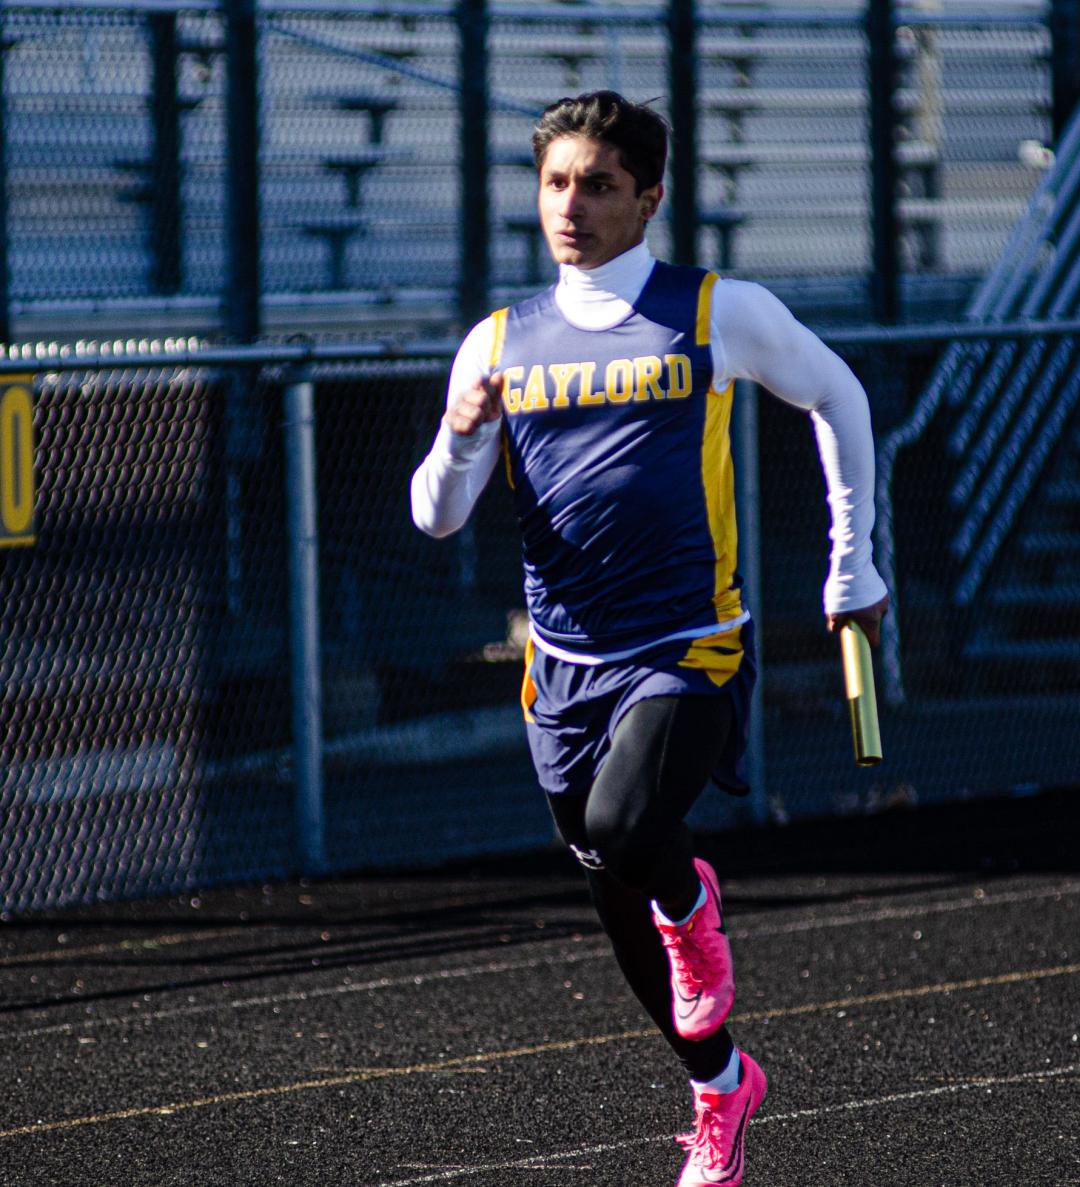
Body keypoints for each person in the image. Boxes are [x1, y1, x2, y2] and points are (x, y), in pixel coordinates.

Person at [410, 90, 888, 1187]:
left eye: (599, 184)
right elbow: (435, 514)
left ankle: (694, 901)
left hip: (690, 644)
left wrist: (853, 559)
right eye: (555, 183)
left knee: (634, 830)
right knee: (612, 879)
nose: (571, 205)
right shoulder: (497, 342)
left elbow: (840, 396)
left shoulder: (716, 311)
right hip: (563, 666)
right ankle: (720, 1086)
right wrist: (459, 430)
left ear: (649, 200)